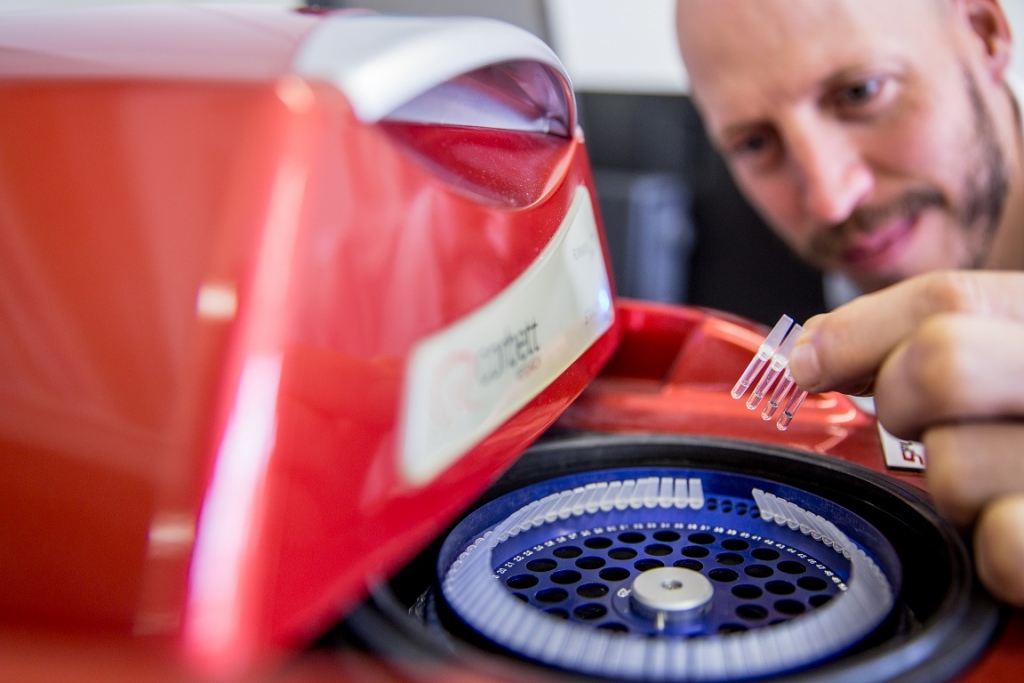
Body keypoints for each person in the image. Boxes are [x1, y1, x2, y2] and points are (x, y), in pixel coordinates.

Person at [676, 0, 1024, 606]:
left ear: (985, 34)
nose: (833, 199)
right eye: (756, 142)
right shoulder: (720, 261)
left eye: (861, 92)